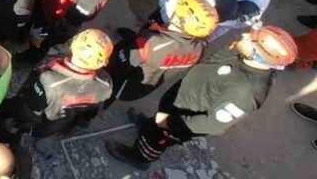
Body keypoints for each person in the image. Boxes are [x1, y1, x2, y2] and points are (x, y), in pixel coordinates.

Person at [108, 26, 297, 169]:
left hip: (183, 119)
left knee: (159, 138)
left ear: (259, 55)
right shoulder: (241, 53)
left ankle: (141, 157)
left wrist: (172, 124)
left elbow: (214, 124)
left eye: (251, 39)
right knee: (157, 122)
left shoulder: (247, 92)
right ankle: (150, 126)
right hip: (181, 97)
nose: (246, 35)